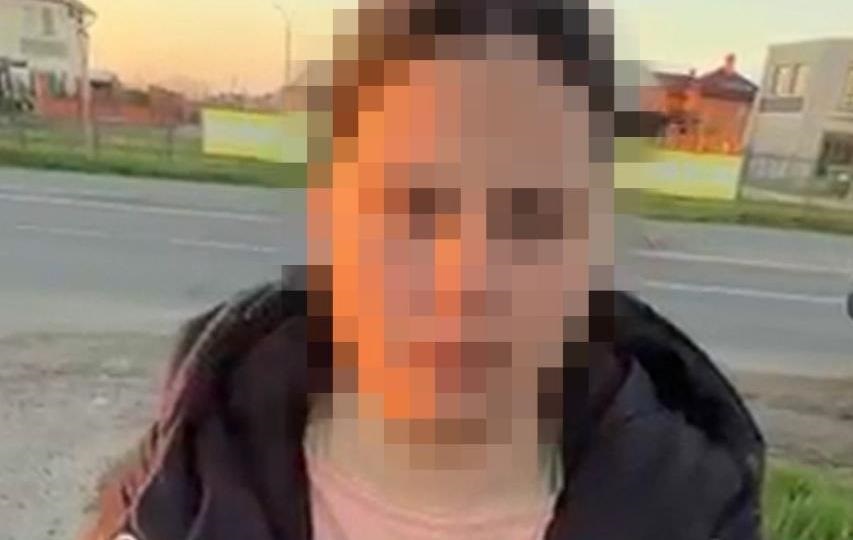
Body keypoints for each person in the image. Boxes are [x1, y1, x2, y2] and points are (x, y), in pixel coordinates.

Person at [79, 2, 765, 539]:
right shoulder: (180, 485)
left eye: (532, 212)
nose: (464, 274)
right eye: (411, 203)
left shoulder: (690, 515)